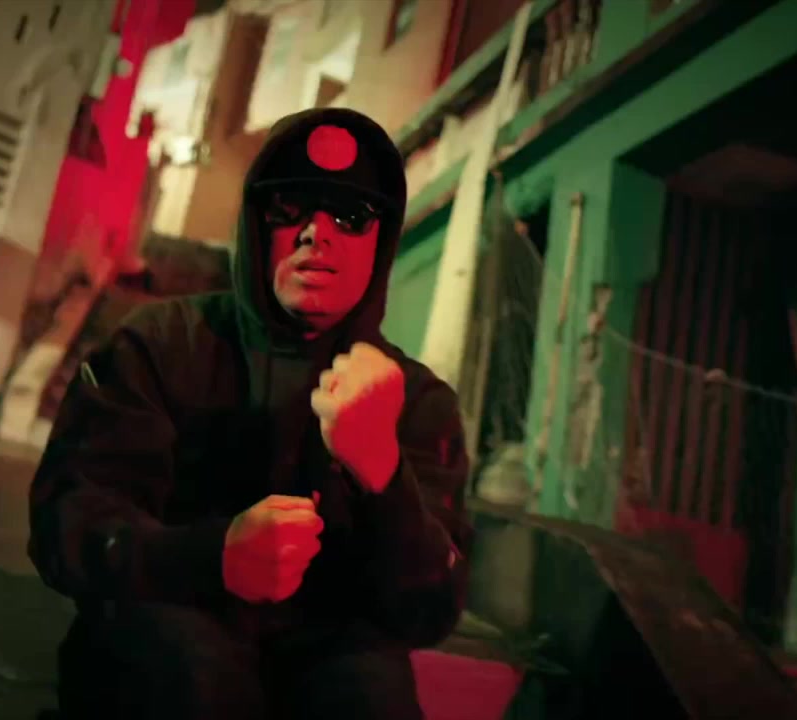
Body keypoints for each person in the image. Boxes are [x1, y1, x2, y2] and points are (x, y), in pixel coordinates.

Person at [29, 107, 471, 720]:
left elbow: (429, 610)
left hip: (331, 657)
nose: (316, 233)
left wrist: (383, 474)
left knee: (372, 698)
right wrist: (208, 557)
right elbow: (67, 523)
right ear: (256, 220)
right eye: (290, 205)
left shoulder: (418, 402)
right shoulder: (158, 345)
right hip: (171, 629)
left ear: (383, 240)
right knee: (186, 674)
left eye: (350, 215)